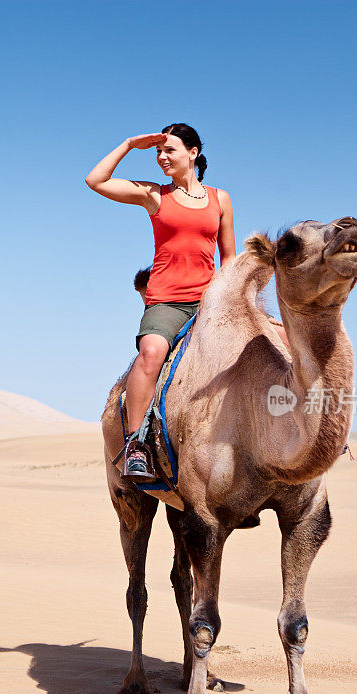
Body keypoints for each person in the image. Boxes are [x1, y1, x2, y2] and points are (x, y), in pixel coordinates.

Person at [85, 123, 236, 477]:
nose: (161, 157)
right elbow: (96, 181)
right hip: (166, 302)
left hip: (210, 303)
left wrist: (226, 299)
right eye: (158, 151)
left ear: (193, 153)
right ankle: (137, 445)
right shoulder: (154, 195)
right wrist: (127, 144)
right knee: (151, 353)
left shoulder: (220, 199)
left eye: (170, 150)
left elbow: (229, 257)